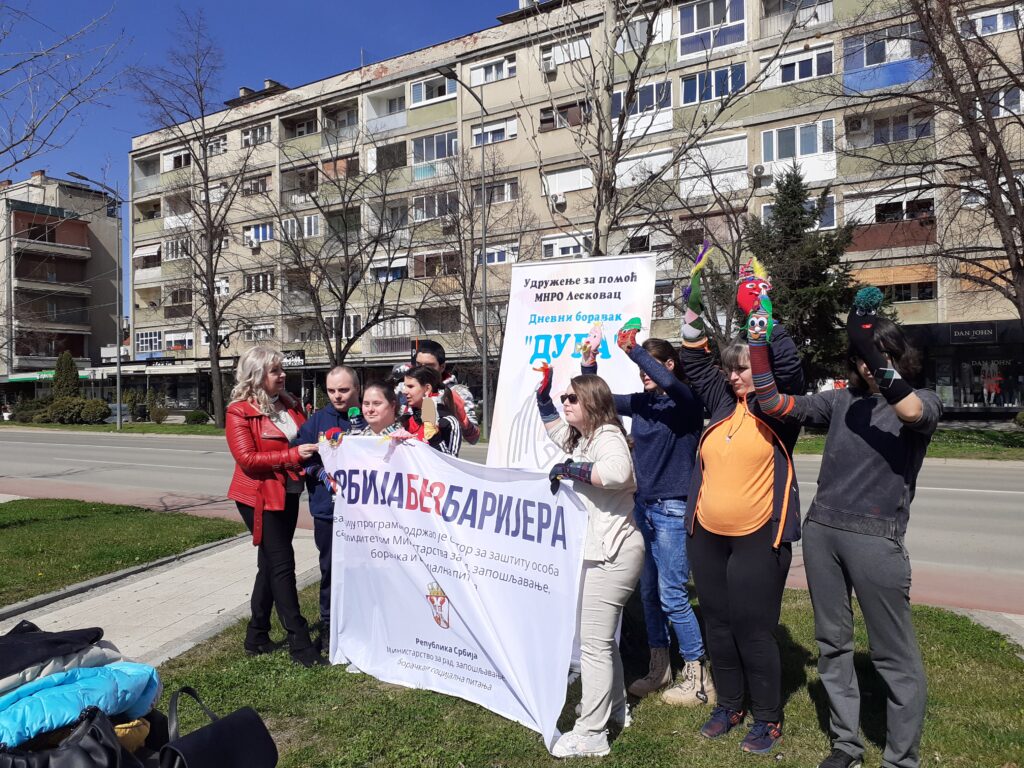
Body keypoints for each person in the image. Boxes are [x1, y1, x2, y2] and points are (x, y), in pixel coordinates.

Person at [744, 287, 940, 768]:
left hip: (877, 539)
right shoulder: (839, 401)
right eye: (864, 357)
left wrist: (869, 344)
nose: (870, 365)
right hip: (823, 533)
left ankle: (901, 759)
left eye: (882, 355)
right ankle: (846, 745)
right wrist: (758, 342)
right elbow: (772, 402)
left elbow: (910, 411)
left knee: (893, 656)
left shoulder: (923, 401)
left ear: (899, 357)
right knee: (833, 646)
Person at [677, 258, 804, 754]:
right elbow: (693, 362)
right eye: (731, 369)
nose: (734, 376)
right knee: (719, 624)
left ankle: (767, 718)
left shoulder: (778, 408)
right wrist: (692, 305)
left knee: (754, 629)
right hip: (707, 535)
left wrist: (763, 313)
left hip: (758, 537)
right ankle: (729, 705)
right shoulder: (722, 403)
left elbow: (787, 364)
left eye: (743, 368)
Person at [580, 325, 709, 706]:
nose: (642, 373)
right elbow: (599, 401)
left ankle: (698, 677)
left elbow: (672, 384)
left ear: (668, 364)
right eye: (640, 367)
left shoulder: (687, 403)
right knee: (649, 592)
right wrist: (589, 364)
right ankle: (659, 667)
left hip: (672, 509)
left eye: (650, 365)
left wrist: (633, 350)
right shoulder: (642, 403)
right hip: (644, 507)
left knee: (673, 594)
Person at [536, 368, 644, 758]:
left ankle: (592, 734)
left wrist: (570, 469)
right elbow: (556, 432)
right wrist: (543, 398)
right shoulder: (586, 436)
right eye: (563, 398)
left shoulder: (609, 436)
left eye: (572, 398)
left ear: (592, 403)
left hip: (614, 553)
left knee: (594, 646)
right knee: (599, 640)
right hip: (602, 550)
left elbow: (617, 473)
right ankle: (615, 708)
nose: (565, 404)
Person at [225, 346, 323, 667]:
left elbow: (306, 435)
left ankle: (257, 635)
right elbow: (248, 459)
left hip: (289, 492)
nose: (283, 375)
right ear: (256, 375)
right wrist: (293, 456)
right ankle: (301, 644)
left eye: (282, 369)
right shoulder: (239, 411)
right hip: (259, 496)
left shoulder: (288, 403)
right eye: (275, 370)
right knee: (282, 564)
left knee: (269, 563)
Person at [294, 365, 360, 647]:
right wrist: (319, 471)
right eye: (332, 390)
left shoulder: (369, 415)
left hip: (364, 513)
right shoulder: (318, 420)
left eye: (343, 390)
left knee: (363, 570)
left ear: (357, 388)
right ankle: (328, 625)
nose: (337, 396)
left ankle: (361, 623)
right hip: (327, 510)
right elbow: (299, 454)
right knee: (331, 569)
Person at [412, 339, 480, 443]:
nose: (422, 370)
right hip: (409, 451)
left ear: (442, 367)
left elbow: (474, 438)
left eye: (429, 366)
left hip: (440, 451)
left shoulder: (457, 393)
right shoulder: (406, 389)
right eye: (419, 365)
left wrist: (462, 418)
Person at [401, 366, 463, 456]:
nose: (404, 391)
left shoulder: (447, 421)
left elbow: (450, 461)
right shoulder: (406, 418)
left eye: (410, 386)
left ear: (427, 389)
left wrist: (434, 437)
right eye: (405, 386)